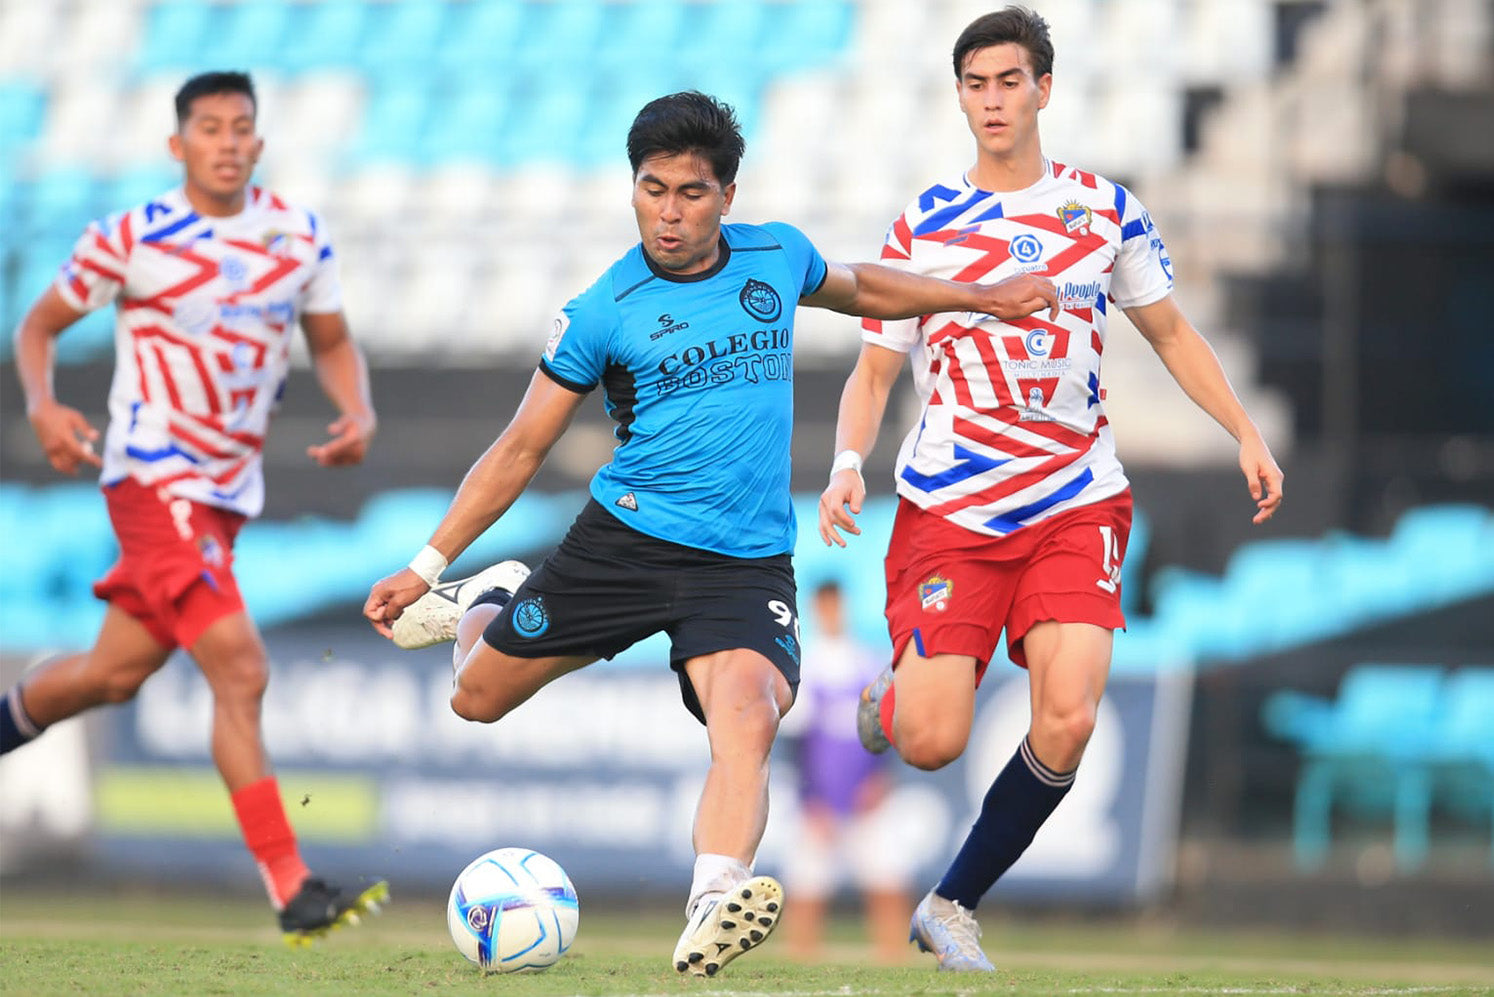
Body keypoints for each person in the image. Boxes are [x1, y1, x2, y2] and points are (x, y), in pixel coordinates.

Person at [361, 90, 1060, 977]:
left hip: (743, 562)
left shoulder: (776, 256)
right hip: (625, 545)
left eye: (690, 193)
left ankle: (713, 900)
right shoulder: (602, 309)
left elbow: (864, 286)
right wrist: (428, 564)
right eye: (652, 190)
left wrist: (980, 297)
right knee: (476, 697)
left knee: (749, 714)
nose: (668, 212)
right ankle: (491, 595)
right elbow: (520, 447)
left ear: (727, 195)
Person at [817, 7, 1284, 973]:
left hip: (1076, 498)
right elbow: (874, 371)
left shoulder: (1104, 211)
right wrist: (847, 463)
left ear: (1044, 90)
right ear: (959, 98)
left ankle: (952, 903)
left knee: (1069, 714)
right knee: (932, 741)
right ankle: (899, 693)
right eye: (976, 84)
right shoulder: (922, 224)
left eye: (1009, 81)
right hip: (953, 511)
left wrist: (1243, 429)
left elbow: (1170, 333)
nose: (993, 100)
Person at [2, 71, 385, 944]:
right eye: (209, 128)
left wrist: (357, 409)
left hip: (224, 500)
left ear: (259, 142)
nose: (226, 141)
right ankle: (292, 887)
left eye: (240, 127)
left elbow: (332, 340)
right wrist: (44, 406)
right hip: (153, 480)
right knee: (241, 669)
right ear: (178, 145)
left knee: (110, 675)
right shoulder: (133, 235)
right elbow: (37, 326)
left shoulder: (297, 236)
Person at [778, 580, 912, 965]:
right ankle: (799, 961)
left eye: (836, 605)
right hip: (820, 799)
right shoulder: (806, 666)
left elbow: (886, 726)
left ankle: (895, 960)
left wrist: (879, 779)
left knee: (887, 879)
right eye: (825, 606)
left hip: (866, 795)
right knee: (806, 885)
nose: (832, 613)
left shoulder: (867, 662)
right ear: (815, 609)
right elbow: (795, 742)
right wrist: (811, 799)